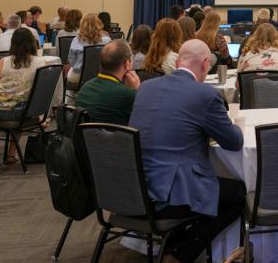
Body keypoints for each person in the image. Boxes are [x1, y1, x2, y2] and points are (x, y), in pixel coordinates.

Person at [130, 40, 246, 263]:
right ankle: (178, 253)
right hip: (170, 192)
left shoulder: (146, 87)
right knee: (239, 193)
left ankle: (173, 245)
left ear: (179, 61)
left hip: (136, 186)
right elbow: (234, 142)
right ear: (205, 64)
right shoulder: (205, 95)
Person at [0, 28, 50, 162]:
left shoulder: (3, 61)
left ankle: (10, 153)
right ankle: (40, 120)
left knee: (19, 104)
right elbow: (41, 93)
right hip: (19, 112)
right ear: (32, 43)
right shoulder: (40, 62)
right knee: (23, 105)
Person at [74, 39, 140, 125]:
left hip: (85, 137)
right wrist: (136, 92)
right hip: (116, 138)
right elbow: (143, 123)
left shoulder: (85, 87)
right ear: (127, 64)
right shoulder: (128, 95)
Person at [66, 13, 111, 88]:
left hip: (79, 77)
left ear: (82, 25)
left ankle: (72, 99)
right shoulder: (107, 40)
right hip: (101, 76)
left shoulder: (76, 40)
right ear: (99, 24)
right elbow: (110, 59)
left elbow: (72, 61)